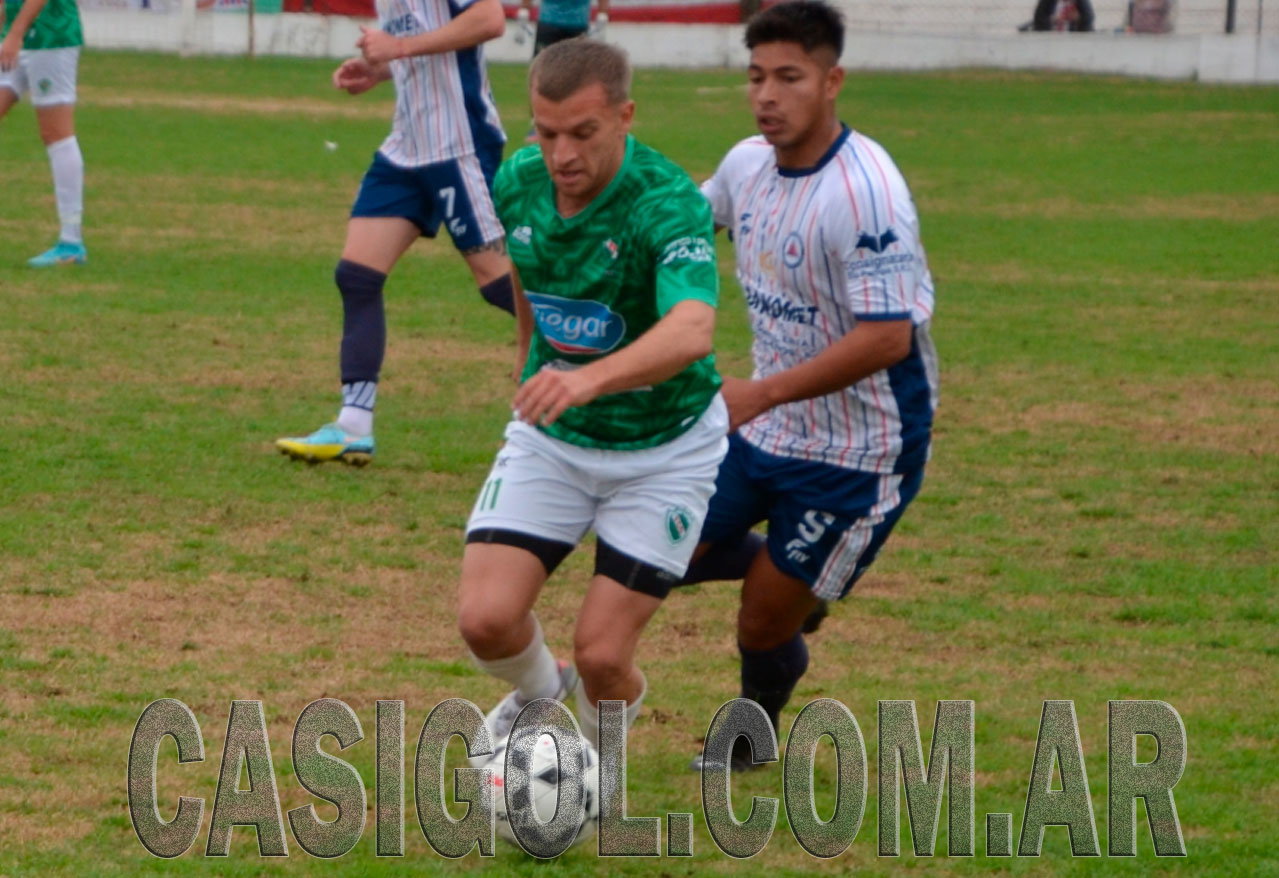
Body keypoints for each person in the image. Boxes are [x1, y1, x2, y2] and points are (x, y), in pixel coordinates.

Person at [686, 0, 938, 770]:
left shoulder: (865, 194)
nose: (766, 95)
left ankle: (751, 736)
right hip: (767, 428)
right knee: (663, 545)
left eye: (788, 78)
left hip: (858, 451)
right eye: (755, 76)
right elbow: (683, 225)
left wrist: (760, 393)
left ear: (832, 82)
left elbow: (887, 337)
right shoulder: (746, 165)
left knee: (761, 623)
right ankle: (802, 575)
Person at [456, 38, 727, 750]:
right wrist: (528, 359)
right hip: (555, 438)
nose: (562, 155)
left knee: (603, 657)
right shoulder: (517, 180)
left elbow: (692, 329)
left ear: (624, 117)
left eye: (583, 132)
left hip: (664, 448)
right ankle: (543, 696)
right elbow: (528, 268)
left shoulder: (666, 202)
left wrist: (585, 378)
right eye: (546, 134)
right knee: (485, 622)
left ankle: (596, 770)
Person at [275, 0, 515, 466]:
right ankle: (353, 425)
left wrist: (399, 47)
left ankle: (602, 358)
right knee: (357, 276)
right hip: (407, 147)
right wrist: (382, 69)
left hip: (458, 145)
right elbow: (427, 45)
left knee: (500, 282)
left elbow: (489, 19)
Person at [0, 0, 86, 266]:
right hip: (14, 38)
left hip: (50, 36)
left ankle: (71, 243)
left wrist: (16, 33)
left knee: (56, 133)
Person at [514, 0, 609, 141]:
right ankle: (538, 124)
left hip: (576, 24)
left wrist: (602, 18)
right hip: (550, 22)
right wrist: (523, 14)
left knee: (577, 78)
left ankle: (575, 122)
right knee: (542, 74)